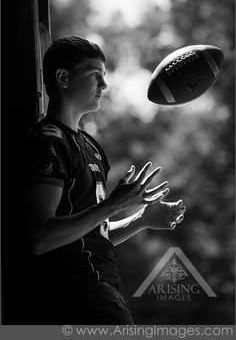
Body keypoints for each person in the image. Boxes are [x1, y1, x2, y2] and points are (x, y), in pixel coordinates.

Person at [23, 35, 186, 325]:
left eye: (104, 76)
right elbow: (40, 238)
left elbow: (94, 233)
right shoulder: (47, 142)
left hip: (103, 287)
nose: (104, 85)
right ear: (63, 78)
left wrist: (140, 220)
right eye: (95, 75)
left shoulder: (90, 145)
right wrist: (111, 206)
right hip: (74, 291)